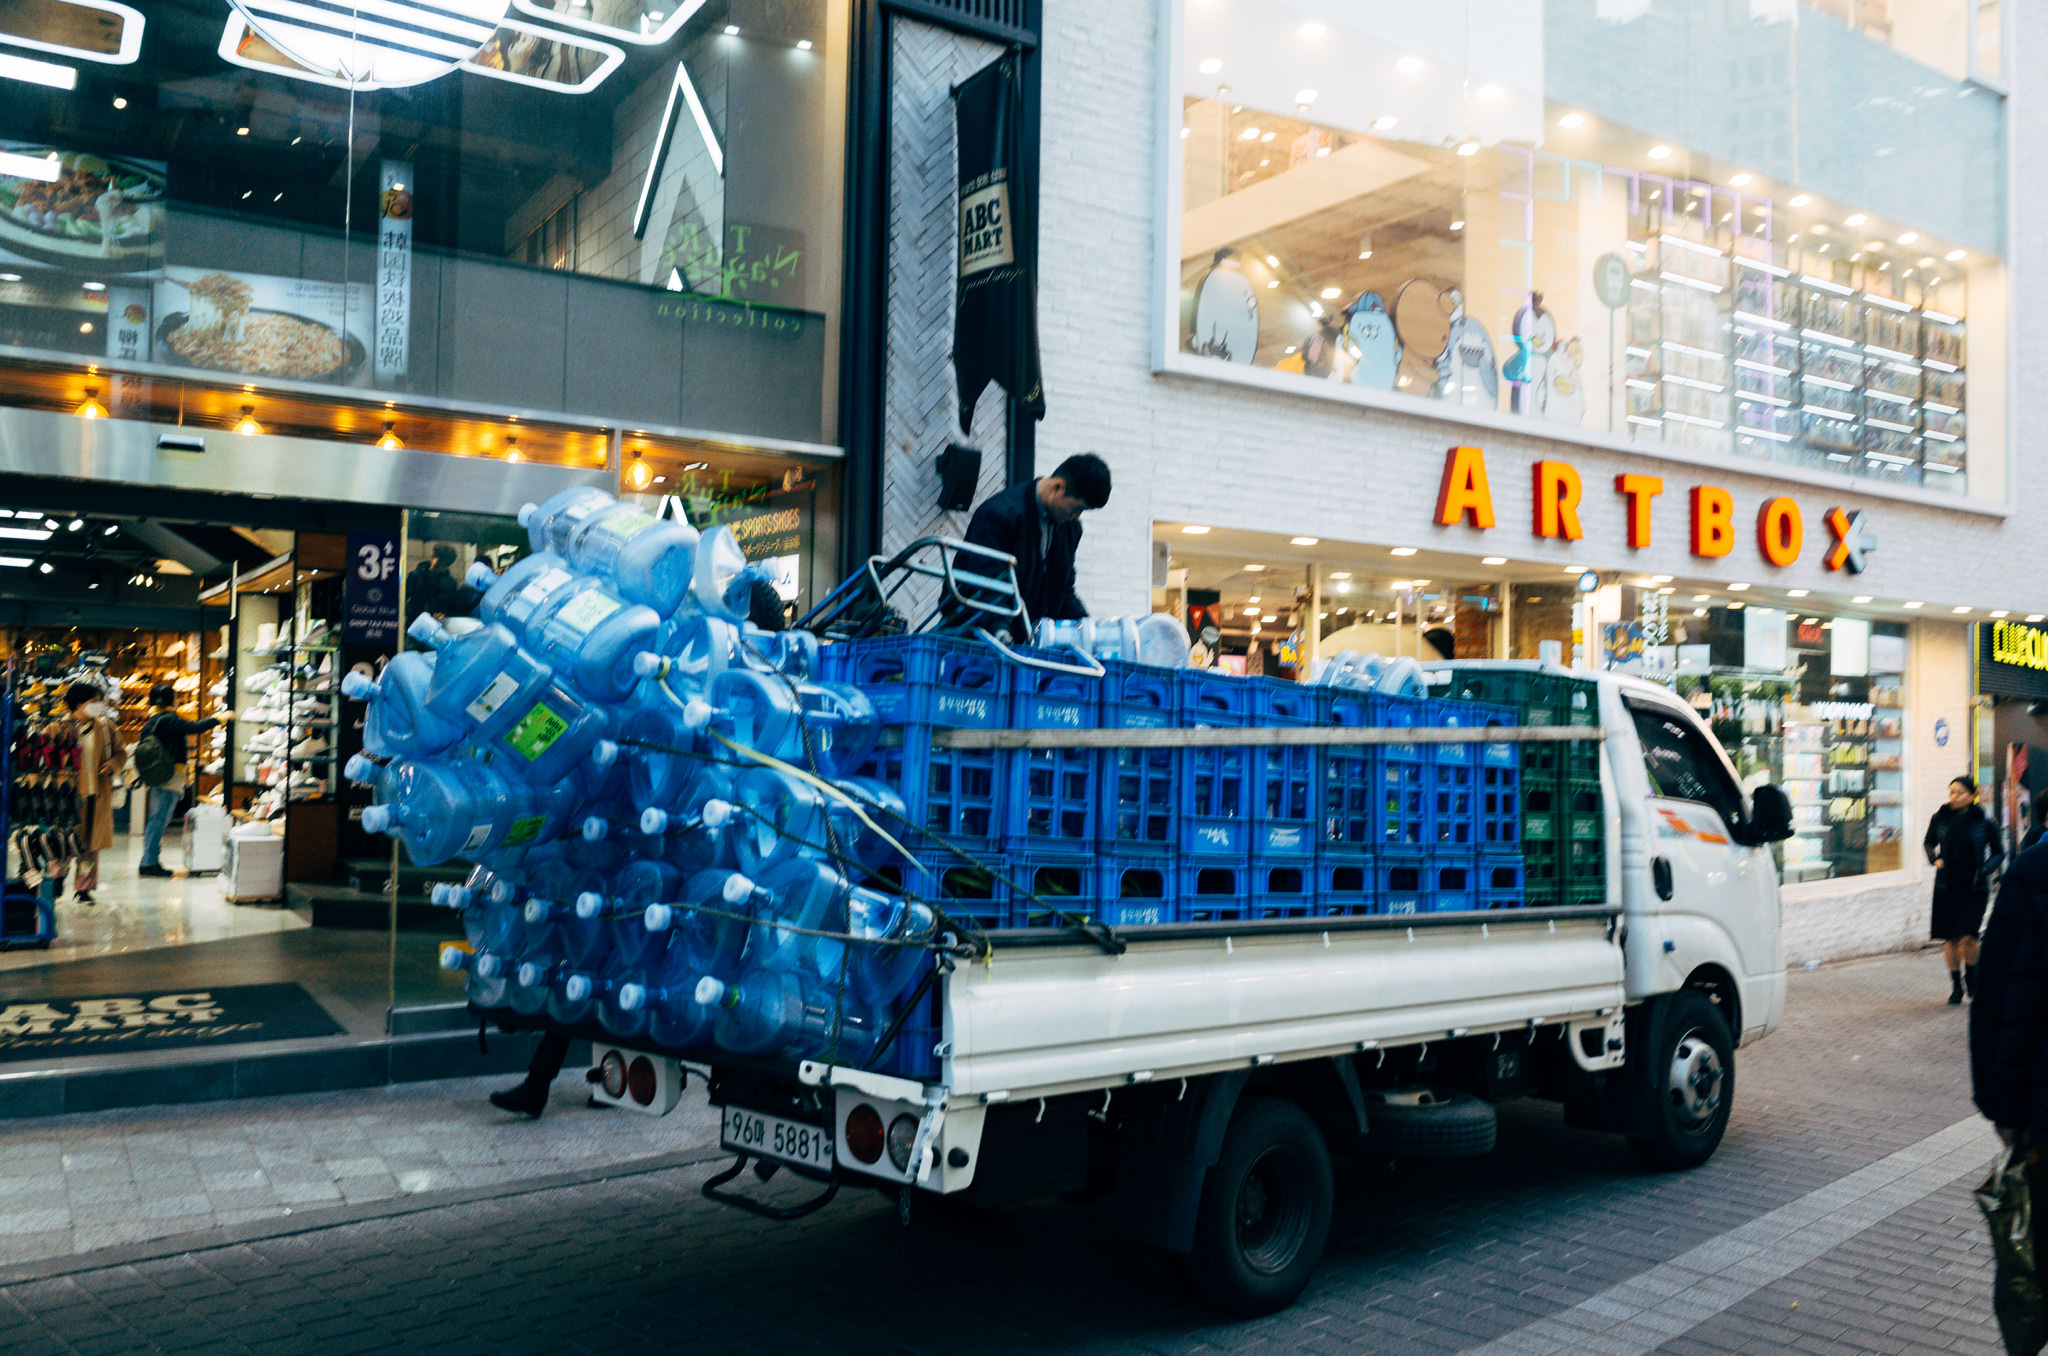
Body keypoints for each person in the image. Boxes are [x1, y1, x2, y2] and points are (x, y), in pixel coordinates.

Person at [958, 452, 1112, 640]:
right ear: (1057, 487)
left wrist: (1089, 631)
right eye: (1076, 508)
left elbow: (1063, 591)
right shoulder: (1000, 515)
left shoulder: (1069, 529)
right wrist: (999, 630)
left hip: (1026, 638)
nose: (1077, 517)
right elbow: (986, 582)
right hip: (978, 636)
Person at [135, 683, 231, 879]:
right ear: (170, 700)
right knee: (159, 820)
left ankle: (150, 860)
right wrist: (221, 717)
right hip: (168, 777)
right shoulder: (169, 720)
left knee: (158, 819)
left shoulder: (152, 721)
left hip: (158, 775)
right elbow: (195, 728)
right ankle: (148, 862)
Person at [1927, 775, 1998, 1005]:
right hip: (1946, 886)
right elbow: (1928, 842)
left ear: (1973, 795)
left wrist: (1986, 869)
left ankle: (1972, 977)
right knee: (1950, 938)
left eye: (1959, 792)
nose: (1954, 797)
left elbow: (1998, 852)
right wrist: (1934, 858)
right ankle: (1956, 985)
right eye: (1951, 792)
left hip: (1974, 887)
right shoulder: (1940, 818)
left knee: (1970, 937)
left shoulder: (1984, 822)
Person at [64, 682, 121, 906]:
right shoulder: (60, 728)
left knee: (89, 847)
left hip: (95, 796)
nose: (98, 705)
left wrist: (112, 765)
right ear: (79, 703)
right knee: (63, 843)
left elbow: (120, 753)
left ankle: (84, 887)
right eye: (93, 701)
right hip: (68, 797)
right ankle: (57, 878)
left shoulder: (106, 728)